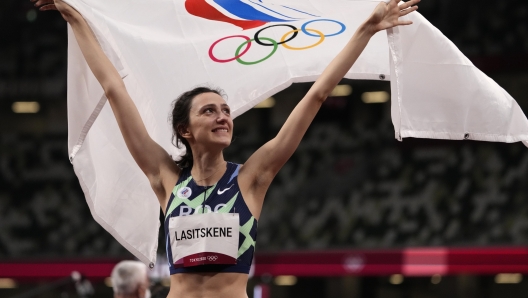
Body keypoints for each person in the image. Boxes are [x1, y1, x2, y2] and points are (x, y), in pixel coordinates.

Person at [33, 0, 419, 297]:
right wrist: (75, 16)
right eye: (209, 111)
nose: (223, 117)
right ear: (185, 129)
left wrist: (364, 32)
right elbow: (115, 91)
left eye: (226, 111)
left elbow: (317, 95)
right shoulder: (166, 178)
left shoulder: (252, 178)